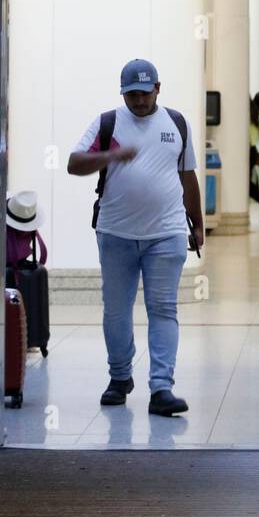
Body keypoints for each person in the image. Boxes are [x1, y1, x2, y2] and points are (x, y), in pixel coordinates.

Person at [67, 59, 202, 416]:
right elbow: (74, 163)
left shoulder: (176, 123)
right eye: (131, 95)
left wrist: (197, 223)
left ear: (158, 88)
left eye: (144, 93)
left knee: (163, 309)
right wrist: (110, 155)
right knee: (116, 311)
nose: (138, 101)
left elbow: (188, 177)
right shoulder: (107, 122)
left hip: (167, 232)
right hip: (116, 233)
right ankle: (119, 377)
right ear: (122, 93)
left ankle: (162, 388)